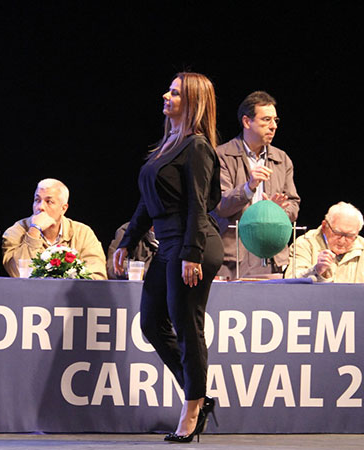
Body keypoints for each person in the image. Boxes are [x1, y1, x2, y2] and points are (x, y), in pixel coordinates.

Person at [112, 72, 222, 442]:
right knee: (151, 323)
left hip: (192, 246)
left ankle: (191, 411)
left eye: (175, 93)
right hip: (169, 247)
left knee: (188, 329)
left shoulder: (196, 147)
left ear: (192, 102)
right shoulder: (167, 145)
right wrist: (127, 241)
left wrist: (191, 253)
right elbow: (148, 202)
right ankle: (200, 396)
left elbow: (199, 203)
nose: (166, 95)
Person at [212, 91, 299, 279]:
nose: (273, 126)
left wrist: (276, 212)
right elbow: (219, 205)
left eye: (275, 120)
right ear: (246, 121)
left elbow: (294, 206)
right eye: (266, 120)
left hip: (270, 255)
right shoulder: (222, 156)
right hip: (233, 256)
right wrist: (248, 187)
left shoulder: (281, 159)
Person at [2, 178, 107, 279]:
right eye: (37, 200)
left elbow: (97, 278)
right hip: (30, 296)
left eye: (49, 201)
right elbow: (17, 273)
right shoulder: (15, 232)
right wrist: (34, 231)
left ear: (63, 208)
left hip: (71, 296)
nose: (40, 207)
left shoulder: (83, 233)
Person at [284, 202, 364, 282]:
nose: (342, 240)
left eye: (350, 235)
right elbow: (291, 282)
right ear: (324, 226)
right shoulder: (305, 244)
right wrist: (317, 270)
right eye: (337, 233)